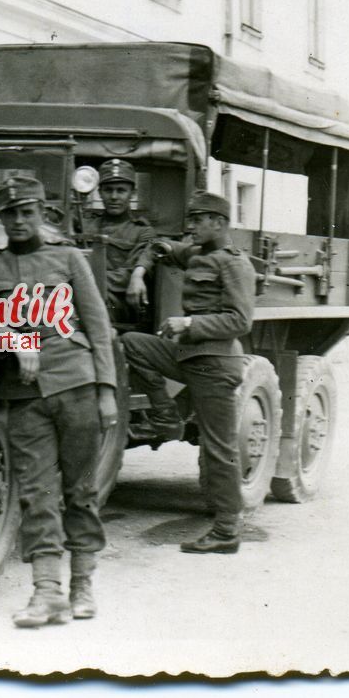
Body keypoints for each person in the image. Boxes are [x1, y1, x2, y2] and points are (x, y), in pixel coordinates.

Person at [0, 175, 118, 628]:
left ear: (42, 212)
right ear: (1, 218)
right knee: (36, 495)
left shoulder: (68, 257)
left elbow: (97, 327)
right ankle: (47, 592)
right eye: (10, 213)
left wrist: (107, 392)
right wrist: (12, 339)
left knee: (81, 489)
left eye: (27, 212)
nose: (18, 220)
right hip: (24, 394)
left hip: (76, 385)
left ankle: (83, 585)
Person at [122, 192, 256, 554]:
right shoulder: (198, 253)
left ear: (219, 222)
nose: (191, 226)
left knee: (219, 447)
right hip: (189, 357)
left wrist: (189, 322)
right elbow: (160, 247)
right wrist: (138, 272)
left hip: (215, 364)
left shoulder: (234, 264)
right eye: (191, 219)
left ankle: (227, 530)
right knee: (132, 343)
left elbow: (240, 321)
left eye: (198, 219)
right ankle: (165, 414)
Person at [82, 159, 157, 313]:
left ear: (133, 193)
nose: (114, 196)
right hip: (81, 293)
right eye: (108, 190)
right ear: (99, 192)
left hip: (116, 302)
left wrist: (82, 281)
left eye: (121, 190)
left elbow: (128, 275)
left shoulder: (142, 231)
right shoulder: (85, 226)